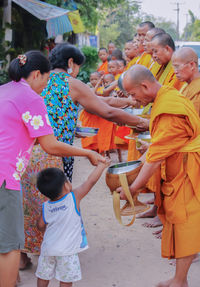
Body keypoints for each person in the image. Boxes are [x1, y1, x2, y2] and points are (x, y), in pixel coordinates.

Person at [0, 50, 104, 287]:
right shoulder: (31, 98)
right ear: (37, 74)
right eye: (46, 79)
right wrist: (87, 152)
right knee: (9, 246)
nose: (46, 86)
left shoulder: (3, 90)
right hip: (5, 177)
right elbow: (50, 145)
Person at [117, 65, 200, 287]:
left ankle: (180, 281)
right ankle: (179, 278)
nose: (134, 100)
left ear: (144, 85)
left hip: (187, 170)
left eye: (133, 94)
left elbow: (154, 159)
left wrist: (132, 189)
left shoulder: (169, 107)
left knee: (185, 224)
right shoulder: (168, 96)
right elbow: (159, 148)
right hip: (181, 165)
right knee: (181, 222)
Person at [36, 160, 110, 286]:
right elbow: (90, 182)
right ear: (66, 185)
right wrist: (101, 166)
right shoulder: (73, 197)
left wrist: (46, 232)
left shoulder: (46, 206)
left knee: (43, 274)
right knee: (66, 278)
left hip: (48, 248)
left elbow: (40, 225)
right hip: (67, 251)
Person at [172, 47, 200, 116]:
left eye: (177, 67)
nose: (175, 72)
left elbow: (193, 121)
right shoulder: (185, 86)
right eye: (174, 67)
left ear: (191, 65)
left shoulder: (198, 90)